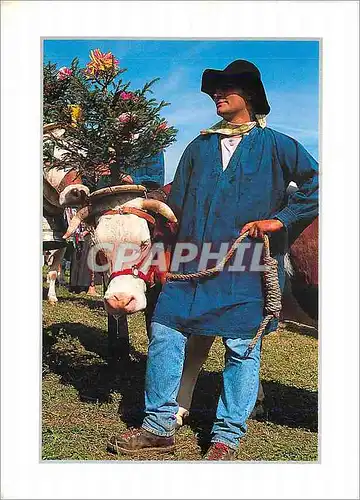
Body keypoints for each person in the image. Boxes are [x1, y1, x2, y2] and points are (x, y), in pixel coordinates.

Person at [107, 59, 319, 460]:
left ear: (251, 97)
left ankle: (226, 437)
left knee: (241, 349)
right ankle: (158, 427)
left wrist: (281, 219)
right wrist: (149, 211)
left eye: (228, 88)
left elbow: (316, 184)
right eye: (215, 89)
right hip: (190, 264)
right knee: (166, 335)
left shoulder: (277, 144)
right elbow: (176, 201)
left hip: (246, 266)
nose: (218, 95)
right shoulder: (199, 146)